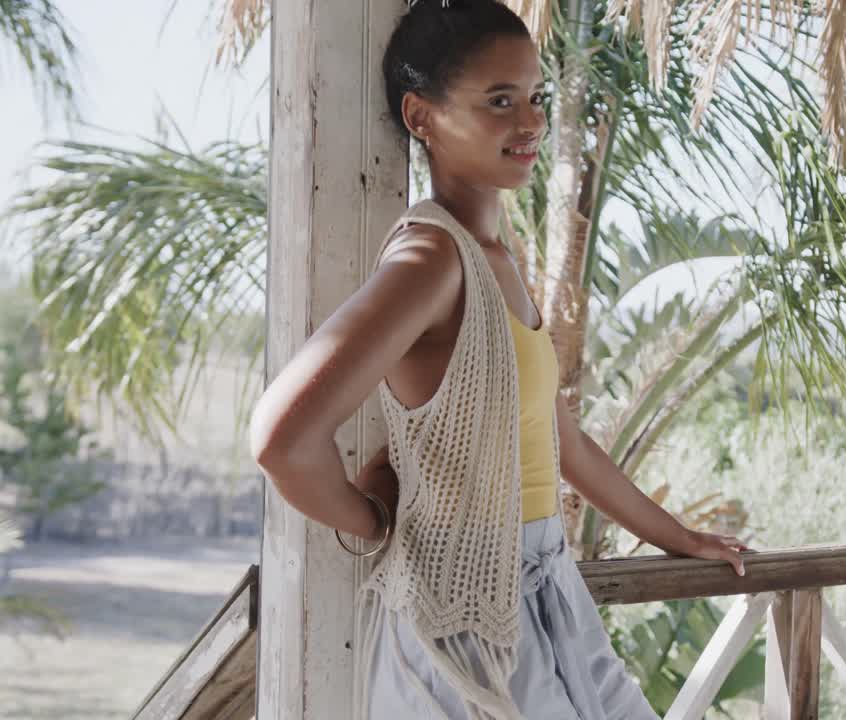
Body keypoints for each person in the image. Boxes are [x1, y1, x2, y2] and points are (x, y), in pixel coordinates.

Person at [247, 0, 749, 717]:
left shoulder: (493, 261)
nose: (531, 122)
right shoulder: (430, 259)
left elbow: (561, 440)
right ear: (421, 118)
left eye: (536, 97)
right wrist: (370, 519)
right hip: (466, 623)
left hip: (547, 595)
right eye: (499, 101)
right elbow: (281, 438)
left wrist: (677, 536)